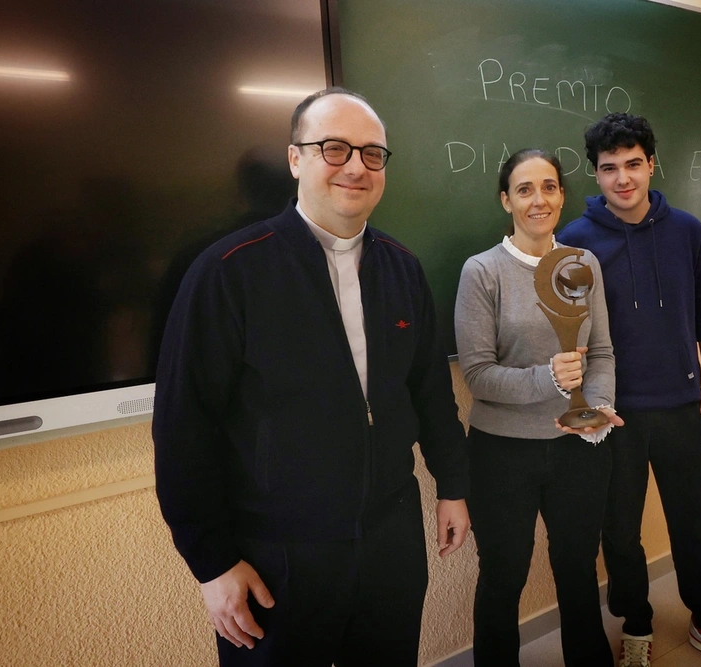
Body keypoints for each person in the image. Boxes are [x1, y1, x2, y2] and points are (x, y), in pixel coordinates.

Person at [152, 87, 471, 667]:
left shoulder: (403, 268)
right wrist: (212, 563)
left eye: (373, 154)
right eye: (335, 148)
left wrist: (453, 485)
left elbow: (429, 391)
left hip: (391, 544)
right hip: (277, 555)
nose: (356, 166)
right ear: (296, 159)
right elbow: (183, 428)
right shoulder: (227, 273)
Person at [557, 113, 701, 667]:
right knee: (620, 534)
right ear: (595, 174)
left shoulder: (688, 232)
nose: (623, 178)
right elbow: (564, 328)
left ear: (652, 163)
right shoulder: (574, 242)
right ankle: (637, 628)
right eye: (609, 168)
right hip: (615, 414)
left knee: (692, 523)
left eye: (633, 164)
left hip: (682, 406)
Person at [455, 149, 624, 666]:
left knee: (577, 569)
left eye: (549, 187)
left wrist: (595, 409)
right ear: (506, 200)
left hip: (577, 449)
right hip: (503, 453)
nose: (539, 199)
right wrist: (547, 377)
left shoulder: (582, 263)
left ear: (562, 196)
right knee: (504, 575)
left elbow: (601, 352)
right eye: (525, 189)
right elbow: (477, 375)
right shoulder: (482, 271)